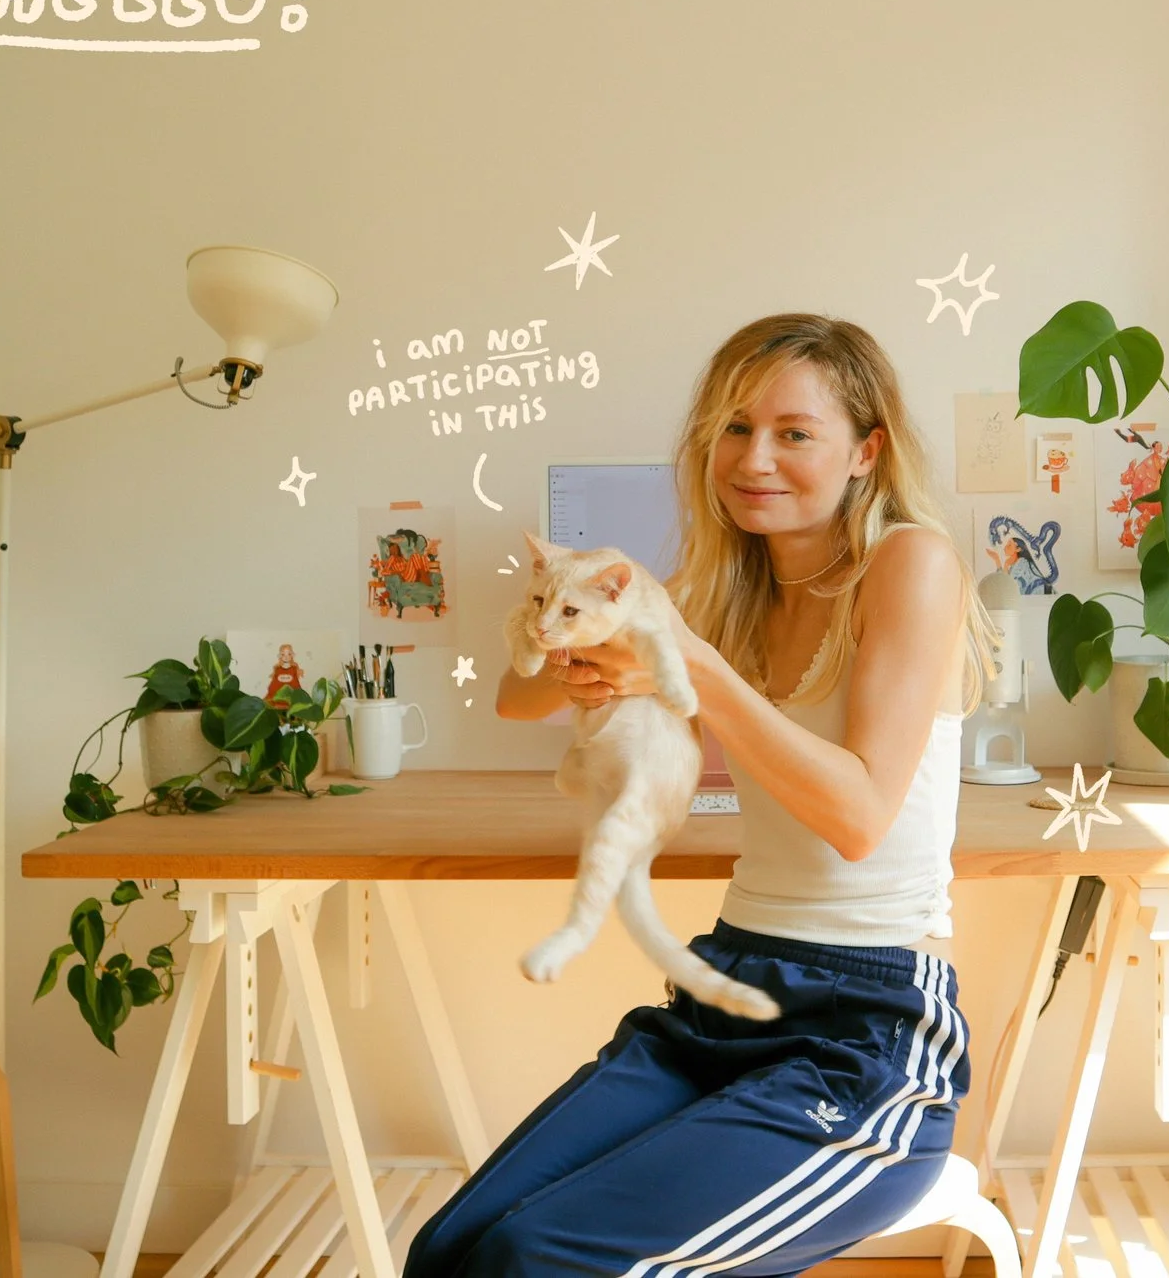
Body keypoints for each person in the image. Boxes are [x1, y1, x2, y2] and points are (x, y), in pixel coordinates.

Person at [405, 314, 992, 1277]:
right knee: (451, 1252)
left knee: (534, 1257)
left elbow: (859, 815)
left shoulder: (909, 564)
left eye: (794, 432)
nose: (754, 457)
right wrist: (581, 644)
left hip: (868, 1033)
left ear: (865, 451)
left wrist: (693, 663)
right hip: (727, 989)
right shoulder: (727, 587)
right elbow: (517, 701)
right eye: (732, 428)